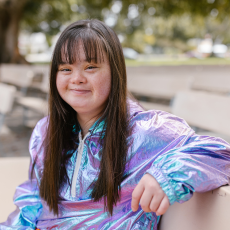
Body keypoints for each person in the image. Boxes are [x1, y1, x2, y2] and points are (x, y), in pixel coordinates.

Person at [1, 19, 230, 230]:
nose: (77, 78)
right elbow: (35, 194)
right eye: (65, 69)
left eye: (90, 67)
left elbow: (221, 154)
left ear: (115, 72)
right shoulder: (46, 131)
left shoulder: (146, 130)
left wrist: (166, 175)